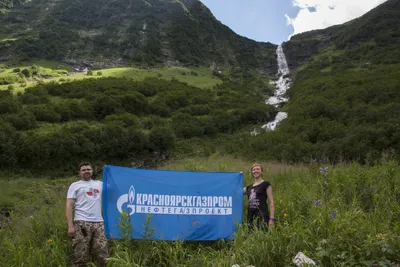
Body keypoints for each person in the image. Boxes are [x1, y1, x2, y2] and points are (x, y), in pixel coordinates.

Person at [66, 162, 109, 267]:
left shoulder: (100, 184)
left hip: (99, 223)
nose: (86, 171)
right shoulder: (75, 186)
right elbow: (69, 206)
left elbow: (115, 185)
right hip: (81, 223)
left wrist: (108, 172)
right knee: (80, 254)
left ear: (92, 171)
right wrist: (70, 226)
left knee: (102, 254)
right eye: (84, 170)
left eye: (88, 169)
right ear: (79, 173)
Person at [243, 163, 275, 229]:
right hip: (250, 217)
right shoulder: (249, 187)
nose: (255, 171)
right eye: (254, 169)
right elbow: (236, 191)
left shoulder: (266, 184)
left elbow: (271, 202)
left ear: (261, 172)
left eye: (258, 169)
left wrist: (271, 219)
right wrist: (237, 176)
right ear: (252, 172)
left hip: (262, 217)